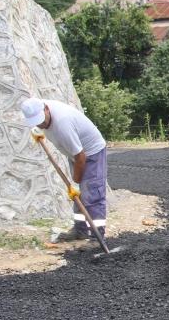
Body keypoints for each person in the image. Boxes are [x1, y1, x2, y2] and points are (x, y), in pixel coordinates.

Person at [20, 98, 108, 242]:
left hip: (91, 153)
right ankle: (81, 230)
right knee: (81, 193)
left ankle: (96, 236)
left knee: (92, 194)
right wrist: (38, 132)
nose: (40, 124)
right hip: (75, 153)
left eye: (41, 120)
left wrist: (77, 179)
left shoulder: (62, 123)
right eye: (36, 122)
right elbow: (76, 154)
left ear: (46, 109)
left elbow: (80, 156)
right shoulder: (35, 108)